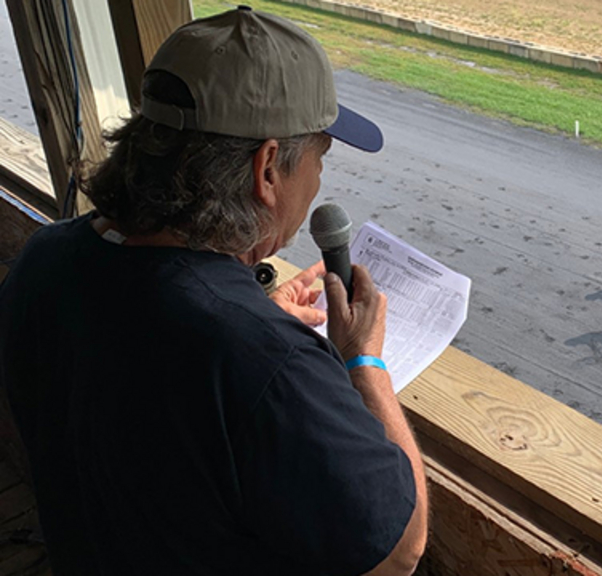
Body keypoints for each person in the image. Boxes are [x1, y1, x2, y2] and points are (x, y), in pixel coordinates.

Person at [0, 8, 426, 576]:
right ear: (267, 168)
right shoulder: (263, 362)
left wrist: (250, 319)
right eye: (319, 158)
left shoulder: (45, 257)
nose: (320, 181)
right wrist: (365, 358)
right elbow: (399, 549)